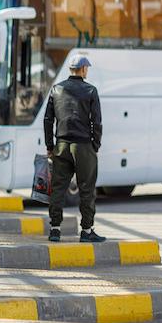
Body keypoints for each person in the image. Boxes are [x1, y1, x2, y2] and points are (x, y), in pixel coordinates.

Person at [44, 55, 105, 243]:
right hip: (83, 146)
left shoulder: (56, 89)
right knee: (86, 189)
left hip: (61, 145)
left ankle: (55, 229)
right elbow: (97, 122)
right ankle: (86, 230)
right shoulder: (90, 90)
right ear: (84, 69)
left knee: (58, 188)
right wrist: (95, 144)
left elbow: (48, 120)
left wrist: (50, 146)